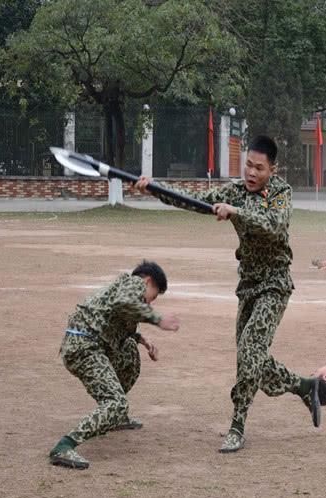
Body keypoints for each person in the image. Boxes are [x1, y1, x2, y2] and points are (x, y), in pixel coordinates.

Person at [135, 135, 326, 453]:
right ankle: (305, 387)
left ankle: (237, 427)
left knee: (250, 354)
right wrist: (154, 189)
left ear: (272, 169)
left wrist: (236, 212)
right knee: (251, 360)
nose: (250, 172)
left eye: (259, 168)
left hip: (274, 286)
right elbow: (194, 200)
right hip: (248, 287)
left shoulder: (281, 193)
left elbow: (274, 225)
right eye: (247, 165)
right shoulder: (233, 190)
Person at [49, 261, 180, 469]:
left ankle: (114, 416)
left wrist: (142, 339)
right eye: (153, 296)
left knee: (129, 351)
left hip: (90, 344)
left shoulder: (124, 289)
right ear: (147, 281)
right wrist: (157, 318)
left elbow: (112, 319)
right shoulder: (135, 284)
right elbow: (121, 303)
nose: (150, 303)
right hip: (84, 347)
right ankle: (65, 445)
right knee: (117, 403)